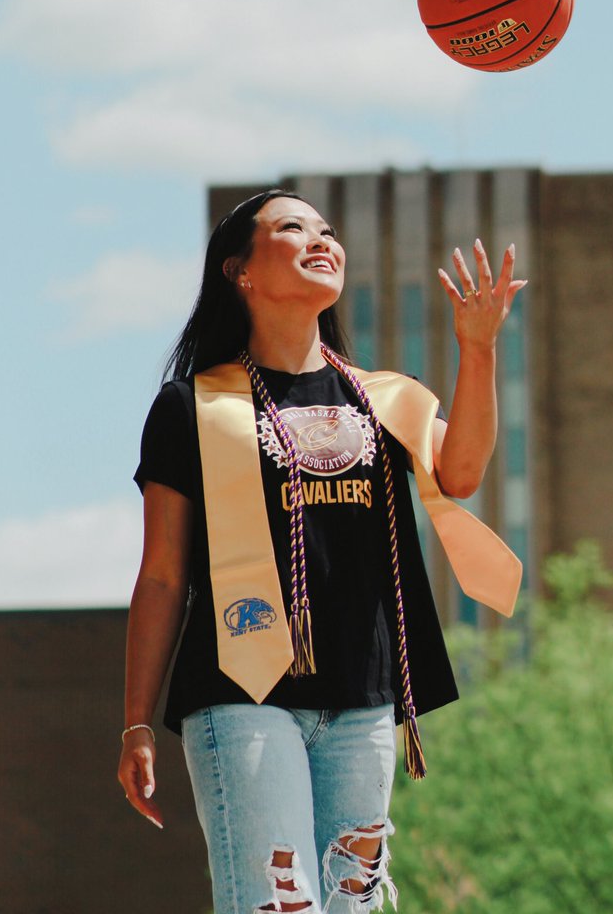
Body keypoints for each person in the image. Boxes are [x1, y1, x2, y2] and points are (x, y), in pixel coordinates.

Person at [117, 188, 525, 914]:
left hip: (362, 700)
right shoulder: (193, 406)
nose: (321, 240)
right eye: (293, 228)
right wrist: (137, 719)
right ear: (238, 271)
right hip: (243, 692)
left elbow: (460, 472)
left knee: (351, 907)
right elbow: (162, 576)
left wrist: (479, 347)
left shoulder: (382, 399)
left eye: (328, 230)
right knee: (279, 908)